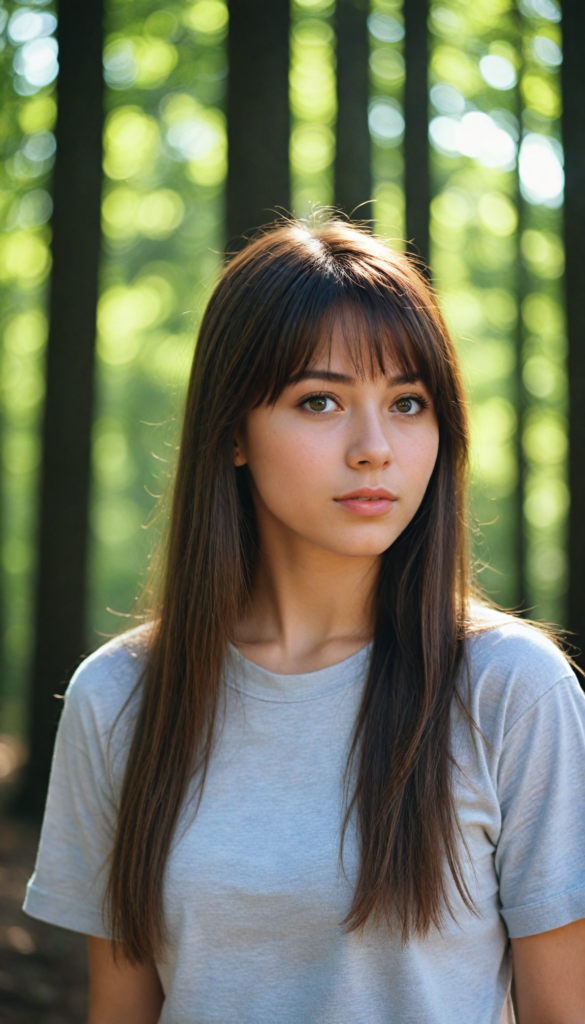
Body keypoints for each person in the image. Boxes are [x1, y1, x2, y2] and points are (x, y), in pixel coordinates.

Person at [23, 221, 585, 1024]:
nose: (373, 448)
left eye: (408, 403)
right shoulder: (119, 697)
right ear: (232, 431)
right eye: (319, 401)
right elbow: (122, 1010)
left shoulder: (511, 689)